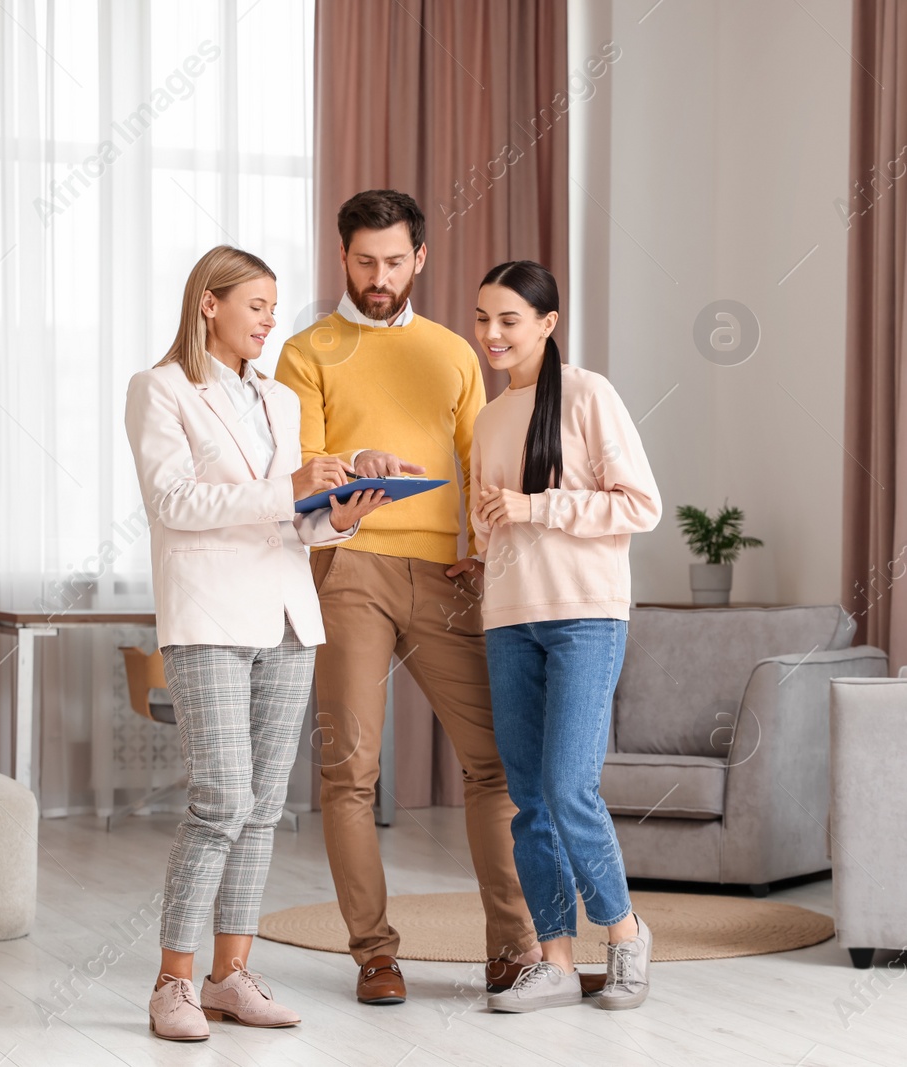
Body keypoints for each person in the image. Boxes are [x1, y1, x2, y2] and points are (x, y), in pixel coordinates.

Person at [275, 190, 549, 1005]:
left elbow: (482, 459)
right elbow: (305, 462)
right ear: (343, 257)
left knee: (493, 761)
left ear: (420, 259)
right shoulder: (305, 351)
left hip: (446, 574)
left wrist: (481, 552)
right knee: (349, 771)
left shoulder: (454, 352)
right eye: (364, 262)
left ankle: (514, 947)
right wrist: (349, 475)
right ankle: (374, 953)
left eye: (395, 262)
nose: (379, 277)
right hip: (349, 569)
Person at [124, 245, 389, 1040]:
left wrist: (334, 514)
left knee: (265, 807)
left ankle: (230, 976)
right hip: (208, 618)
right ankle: (171, 983)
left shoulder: (277, 400)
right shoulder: (160, 389)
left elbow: (287, 520)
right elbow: (175, 500)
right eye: (258, 305)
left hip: (286, 616)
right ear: (210, 302)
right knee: (220, 800)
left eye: (276, 308)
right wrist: (291, 487)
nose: (272, 320)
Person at [466, 260, 662, 1012]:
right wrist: (485, 541)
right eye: (483, 318)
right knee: (528, 799)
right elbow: (497, 524)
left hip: (585, 614)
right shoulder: (490, 416)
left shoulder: (587, 394)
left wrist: (533, 508)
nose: (491, 333)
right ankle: (552, 957)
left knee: (568, 785)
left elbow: (640, 504)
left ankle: (623, 935)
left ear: (548, 323)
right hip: (510, 618)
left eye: (509, 319)